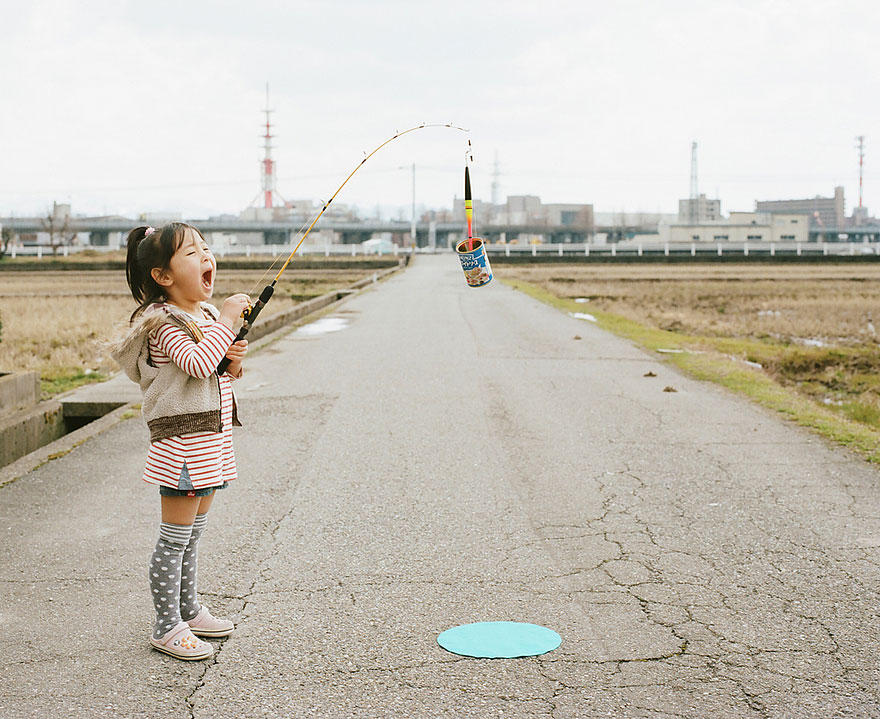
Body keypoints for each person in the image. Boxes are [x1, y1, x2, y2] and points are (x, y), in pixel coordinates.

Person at [112, 222, 250, 660]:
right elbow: (194, 364)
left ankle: (188, 610)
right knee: (174, 539)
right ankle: (166, 625)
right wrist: (227, 321)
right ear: (163, 277)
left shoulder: (204, 317)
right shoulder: (163, 323)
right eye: (192, 253)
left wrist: (232, 361)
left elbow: (216, 370)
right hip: (183, 447)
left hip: (211, 441)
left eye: (207, 249)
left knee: (193, 535)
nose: (206, 257)